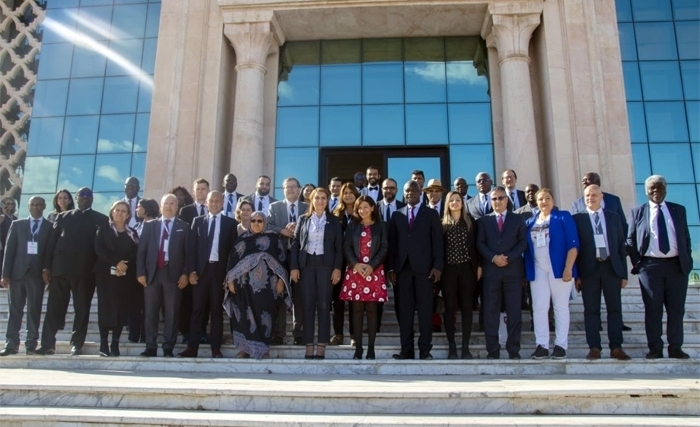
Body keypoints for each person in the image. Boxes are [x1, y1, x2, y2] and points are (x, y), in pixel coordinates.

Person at [36, 188, 109, 356]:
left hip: (85, 273)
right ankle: (47, 344)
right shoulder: (62, 217)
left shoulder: (101, 219)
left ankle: (77, 344)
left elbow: (102, 249)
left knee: (82, 310)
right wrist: (46, 267)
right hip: (60, 271)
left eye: (88, 196)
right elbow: (50, 245)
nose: (84, 198)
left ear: (92, 199)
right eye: (81, 195)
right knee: (54, 309)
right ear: (75, 199)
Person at [626, 175, 693, 360]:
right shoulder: (638, 212)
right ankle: (655, 348)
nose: (656, 191)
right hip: (650, 267)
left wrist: (687, 261)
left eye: (660, 188)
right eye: (652, 188)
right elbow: (630, 239)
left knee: (676, 309)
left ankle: (675, 347)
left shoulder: (678, 210)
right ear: (646, 191)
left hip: (676, 266)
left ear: (666, 189)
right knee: (653, 310)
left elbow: (686, 237)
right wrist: (637, 263)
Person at [573, 185, 631, 361]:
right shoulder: (578, 219)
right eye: (587, 195)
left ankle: (616, 347)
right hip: (589, 269)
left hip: (611, 268)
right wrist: (577, 275)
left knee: (614, 309)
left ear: (601, 196)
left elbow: (621, 245)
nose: (591, 198)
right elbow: (575, 248)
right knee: (591, 310)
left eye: (594, 195)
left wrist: (624, 273)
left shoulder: (613, 218)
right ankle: (594, 347)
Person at [388, 180, 444, 360]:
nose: (410, 193)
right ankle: (407, 350)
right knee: (404, 312)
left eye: (413, 190)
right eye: (407, 191)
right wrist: (391, 268)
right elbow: (393, 244)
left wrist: (437, 266)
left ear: (420, 192)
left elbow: (437, 243)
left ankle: (425, 350)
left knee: (426, 311)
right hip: (402, 271)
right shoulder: (397, 215)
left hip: (425, 270)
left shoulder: (431, 214)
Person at [224, 212, 291, 359]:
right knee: (243, 316)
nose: (256, 223)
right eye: (253, 220)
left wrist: (281, 280)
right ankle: (244, 349)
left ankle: (263, 348)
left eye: (259, 221)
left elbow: (282, 260)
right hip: (243, 288)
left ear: (265, 222)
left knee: (265, 317)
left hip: (267, 289)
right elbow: (232, 261)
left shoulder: (273, 239)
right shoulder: (242, 239)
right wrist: (230, 281)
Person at [178, 191, 238, 358]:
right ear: (206, 203)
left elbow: (233, 253)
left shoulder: (230, 223)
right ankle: (192, 348)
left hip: (219, 273)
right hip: (200, 273)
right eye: (211, 201)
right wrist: (191, 271)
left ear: (223, 202)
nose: (214, 203)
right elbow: (191, 249)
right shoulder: (197, 222)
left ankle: (215, 349)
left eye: (218, 201)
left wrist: (229, 275)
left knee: (216, 311)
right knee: (197, 310)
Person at [524, 188, 579, 360]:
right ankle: (542, 345)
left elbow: (573, 244)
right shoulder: (531, 222)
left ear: (553, 200)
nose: (544, 202)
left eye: (547, 198)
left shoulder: (563, 217)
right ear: (536, 202)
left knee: (560, 307)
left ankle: (560, 345)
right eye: (540, 199)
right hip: (538, 269)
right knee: (539, 308)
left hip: (559, 270)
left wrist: (568, 267)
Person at [290, 188, 343, 359]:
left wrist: (337, 268)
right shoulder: (303, 220)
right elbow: (296, 244)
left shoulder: (334, 221)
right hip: (306, 265)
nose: (320, 201)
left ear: (327, 201)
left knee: (323, 304)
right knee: (307, 304)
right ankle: (308, 343)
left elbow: (339, 248)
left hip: (325, 265)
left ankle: (321, 344)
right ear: (311, 200)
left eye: (323, 198)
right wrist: (294, 267)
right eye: (317, 198)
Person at [476, 186, 527, 359]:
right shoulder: (484, 221)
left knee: (514, 311)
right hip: (491, 273)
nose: (497, 201)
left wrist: (508, 257)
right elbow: (480, 244)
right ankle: (493, 350)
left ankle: (513, 350)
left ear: (507, 200)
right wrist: (493, 258)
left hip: (512, 271)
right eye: (494, 199)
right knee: (490, 312)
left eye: (500, 198)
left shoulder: (518, 219)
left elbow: (522, 243)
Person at [136, 194, 189, 357]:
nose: (169, 206)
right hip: (152, 273)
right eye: (166, 203)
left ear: (177, 207)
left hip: (173, 274)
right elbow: (141, 252)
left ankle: (168, 347)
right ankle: (150, 346)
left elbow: (188, 253)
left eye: (173, 203)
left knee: (172, 313)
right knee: (151, 312)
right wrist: (140, 272)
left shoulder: (184, 226)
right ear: (161, 206)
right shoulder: (150, 225)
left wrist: (185, 273)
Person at [0, 197, 51, 356]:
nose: (36, 207)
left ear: (44, 207)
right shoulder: (17, 225)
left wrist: (47, 270)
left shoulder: (50, 227)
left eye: (39, 205)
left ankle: (31, 344)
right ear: (28, 207)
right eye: (33, 205)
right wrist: (5, 274)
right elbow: (9, 251)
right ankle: (11, 344)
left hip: (36, 275)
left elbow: (50, 252)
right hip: (17, 274)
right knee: (14, 309)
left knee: (33, 310)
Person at [339, 195, 388, 360]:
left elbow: (384, 247)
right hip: (356, 271)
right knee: (357, 309)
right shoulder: (353, 226)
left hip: (374, 271)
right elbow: (346, 246)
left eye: (366, 207)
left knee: (372, 310)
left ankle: (371, 348)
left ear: (373, 208)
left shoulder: (381, 226)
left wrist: (372, 265)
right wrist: (355, 264)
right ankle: (358, 347)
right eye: (360, 208)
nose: (363, 210)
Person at [94, 201, 139, 357]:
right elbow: (99, 249)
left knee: (121, 309)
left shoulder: (132, 233)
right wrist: (116, 262)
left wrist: (123, 266)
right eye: (117, 210)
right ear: (112, 212)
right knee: (105, 308)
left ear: (128, 215)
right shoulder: (103, 229)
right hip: (105, 275)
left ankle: (115, 342)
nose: (120, 213)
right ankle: (103, 343)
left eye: (123, 211)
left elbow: (135, 253)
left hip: (124, 277)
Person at [267, 178, 308, 345]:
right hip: (280, 256)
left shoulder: (307, 207)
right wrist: (282, 230)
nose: (290, 189)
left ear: (299, 189)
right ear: (282, 190)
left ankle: (299, 332)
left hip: (301, 256)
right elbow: (267, 226)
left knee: (299, 295)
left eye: (293, 187)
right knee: (280, 293)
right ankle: (279, 333)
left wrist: (297, 230)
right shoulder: (274, 207)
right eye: (286, 187)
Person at [441, 191, 480, 359]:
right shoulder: (442, 224)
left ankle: (465, 346)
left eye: (458, 200)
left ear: (463, 203)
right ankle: (452, 346)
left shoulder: (470, 222)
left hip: (467, 270)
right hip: (448, 271)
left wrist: (479, 266)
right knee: (449, 309)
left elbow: (476, 246)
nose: (455, 203)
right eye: (452, 201)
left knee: (466, 309)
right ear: (447, 204)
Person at [178, 178, 210, 344]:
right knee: (187, 300)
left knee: (203, 300)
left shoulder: (213, 210)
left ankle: (202, 331)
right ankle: (186, 332)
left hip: (207, 263)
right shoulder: (185, 211)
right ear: (193, 191)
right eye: (198, 189)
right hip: (189, 259)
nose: (201, 192)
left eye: (204, 189)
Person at [330, 182, 360, 346]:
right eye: (345, 192)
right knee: (338, 300)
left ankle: (355, 335)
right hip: (339, 262)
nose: (348, 195)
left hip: (356, 262)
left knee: (355, 300)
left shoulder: (361, 213)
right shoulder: (335, 214)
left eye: (351, 192)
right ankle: (338, 334)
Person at [375, 178, 405, 329]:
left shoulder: (404, 207)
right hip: (378, 256)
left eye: (392, 188)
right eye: (386, 188)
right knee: (378, 293)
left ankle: (404, 325)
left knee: (401, 294)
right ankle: (376, 325)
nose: (389, 191)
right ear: (382, 189)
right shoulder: (374, 207)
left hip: (399, 256)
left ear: (397, 190)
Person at [129, 198, 158, 344]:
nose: (136, 209)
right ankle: (134, 335)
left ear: (147, 208)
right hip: (136, 271)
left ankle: (146, 336)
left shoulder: (156, 225)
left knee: (149, 307)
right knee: (135, 305)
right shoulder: (137, 226)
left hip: (151, 273)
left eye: (139, 206)